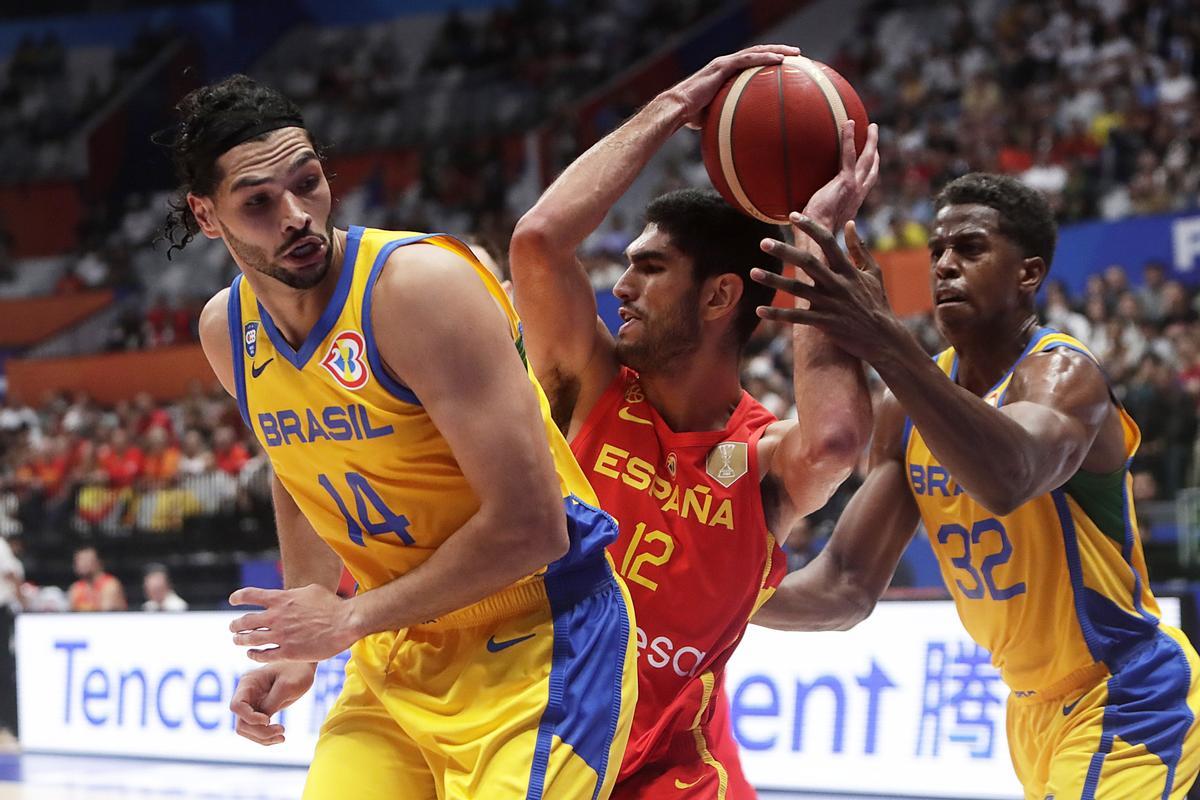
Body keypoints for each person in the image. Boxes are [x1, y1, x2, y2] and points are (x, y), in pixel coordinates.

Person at [170, 75, 635, 799]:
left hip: (539, 639)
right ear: (205, 215)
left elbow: (535, 528)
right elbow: (300, 473)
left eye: (309, 182)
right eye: (258, 202)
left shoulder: (416, 288)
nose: (297, 216)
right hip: (398, 644)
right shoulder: (225, 331)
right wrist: (305, 641)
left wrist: (349, 615)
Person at [753, 173, 1200, 799]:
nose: (945, 266)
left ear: (1028, 274)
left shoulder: (1063, 373)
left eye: (970, 249)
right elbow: (844, 586)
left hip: (1125, 691)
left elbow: (1008, 476)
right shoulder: (903, 408)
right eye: (938, 252)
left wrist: (885, 340)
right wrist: (723, 598)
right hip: (1028, 712)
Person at [510, 45, 875, 798]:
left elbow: (837, 442)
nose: (623, 285)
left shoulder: (764, 456)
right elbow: (539, 242)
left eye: (650, 267)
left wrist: (812, 247)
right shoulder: (591, 383)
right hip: (534, 749)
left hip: (676, 775)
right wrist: (677, 102)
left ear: (718, 299)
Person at [67, 545, 127, 612]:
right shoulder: (76, 587)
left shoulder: (110, 584)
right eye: (78, 560)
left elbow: (106, 612)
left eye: (86, 560)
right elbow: (71, 612)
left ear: (99, 562)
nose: (82, 564)